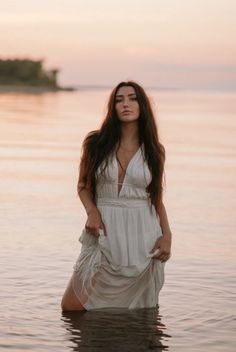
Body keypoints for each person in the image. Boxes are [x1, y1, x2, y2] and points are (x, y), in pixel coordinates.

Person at [61, 81, 172, 311]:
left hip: (144, 233)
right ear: (113, 107)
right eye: (119, 100)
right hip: (104, 229)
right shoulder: (96, 143)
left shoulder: (154, 150)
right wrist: (92, 211)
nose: (125, 104)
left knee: (140, 310)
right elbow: (82, 185)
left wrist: (167, 235)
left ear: (142, 106)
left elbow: (156, 197)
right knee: (71, 306)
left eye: (132, 99)